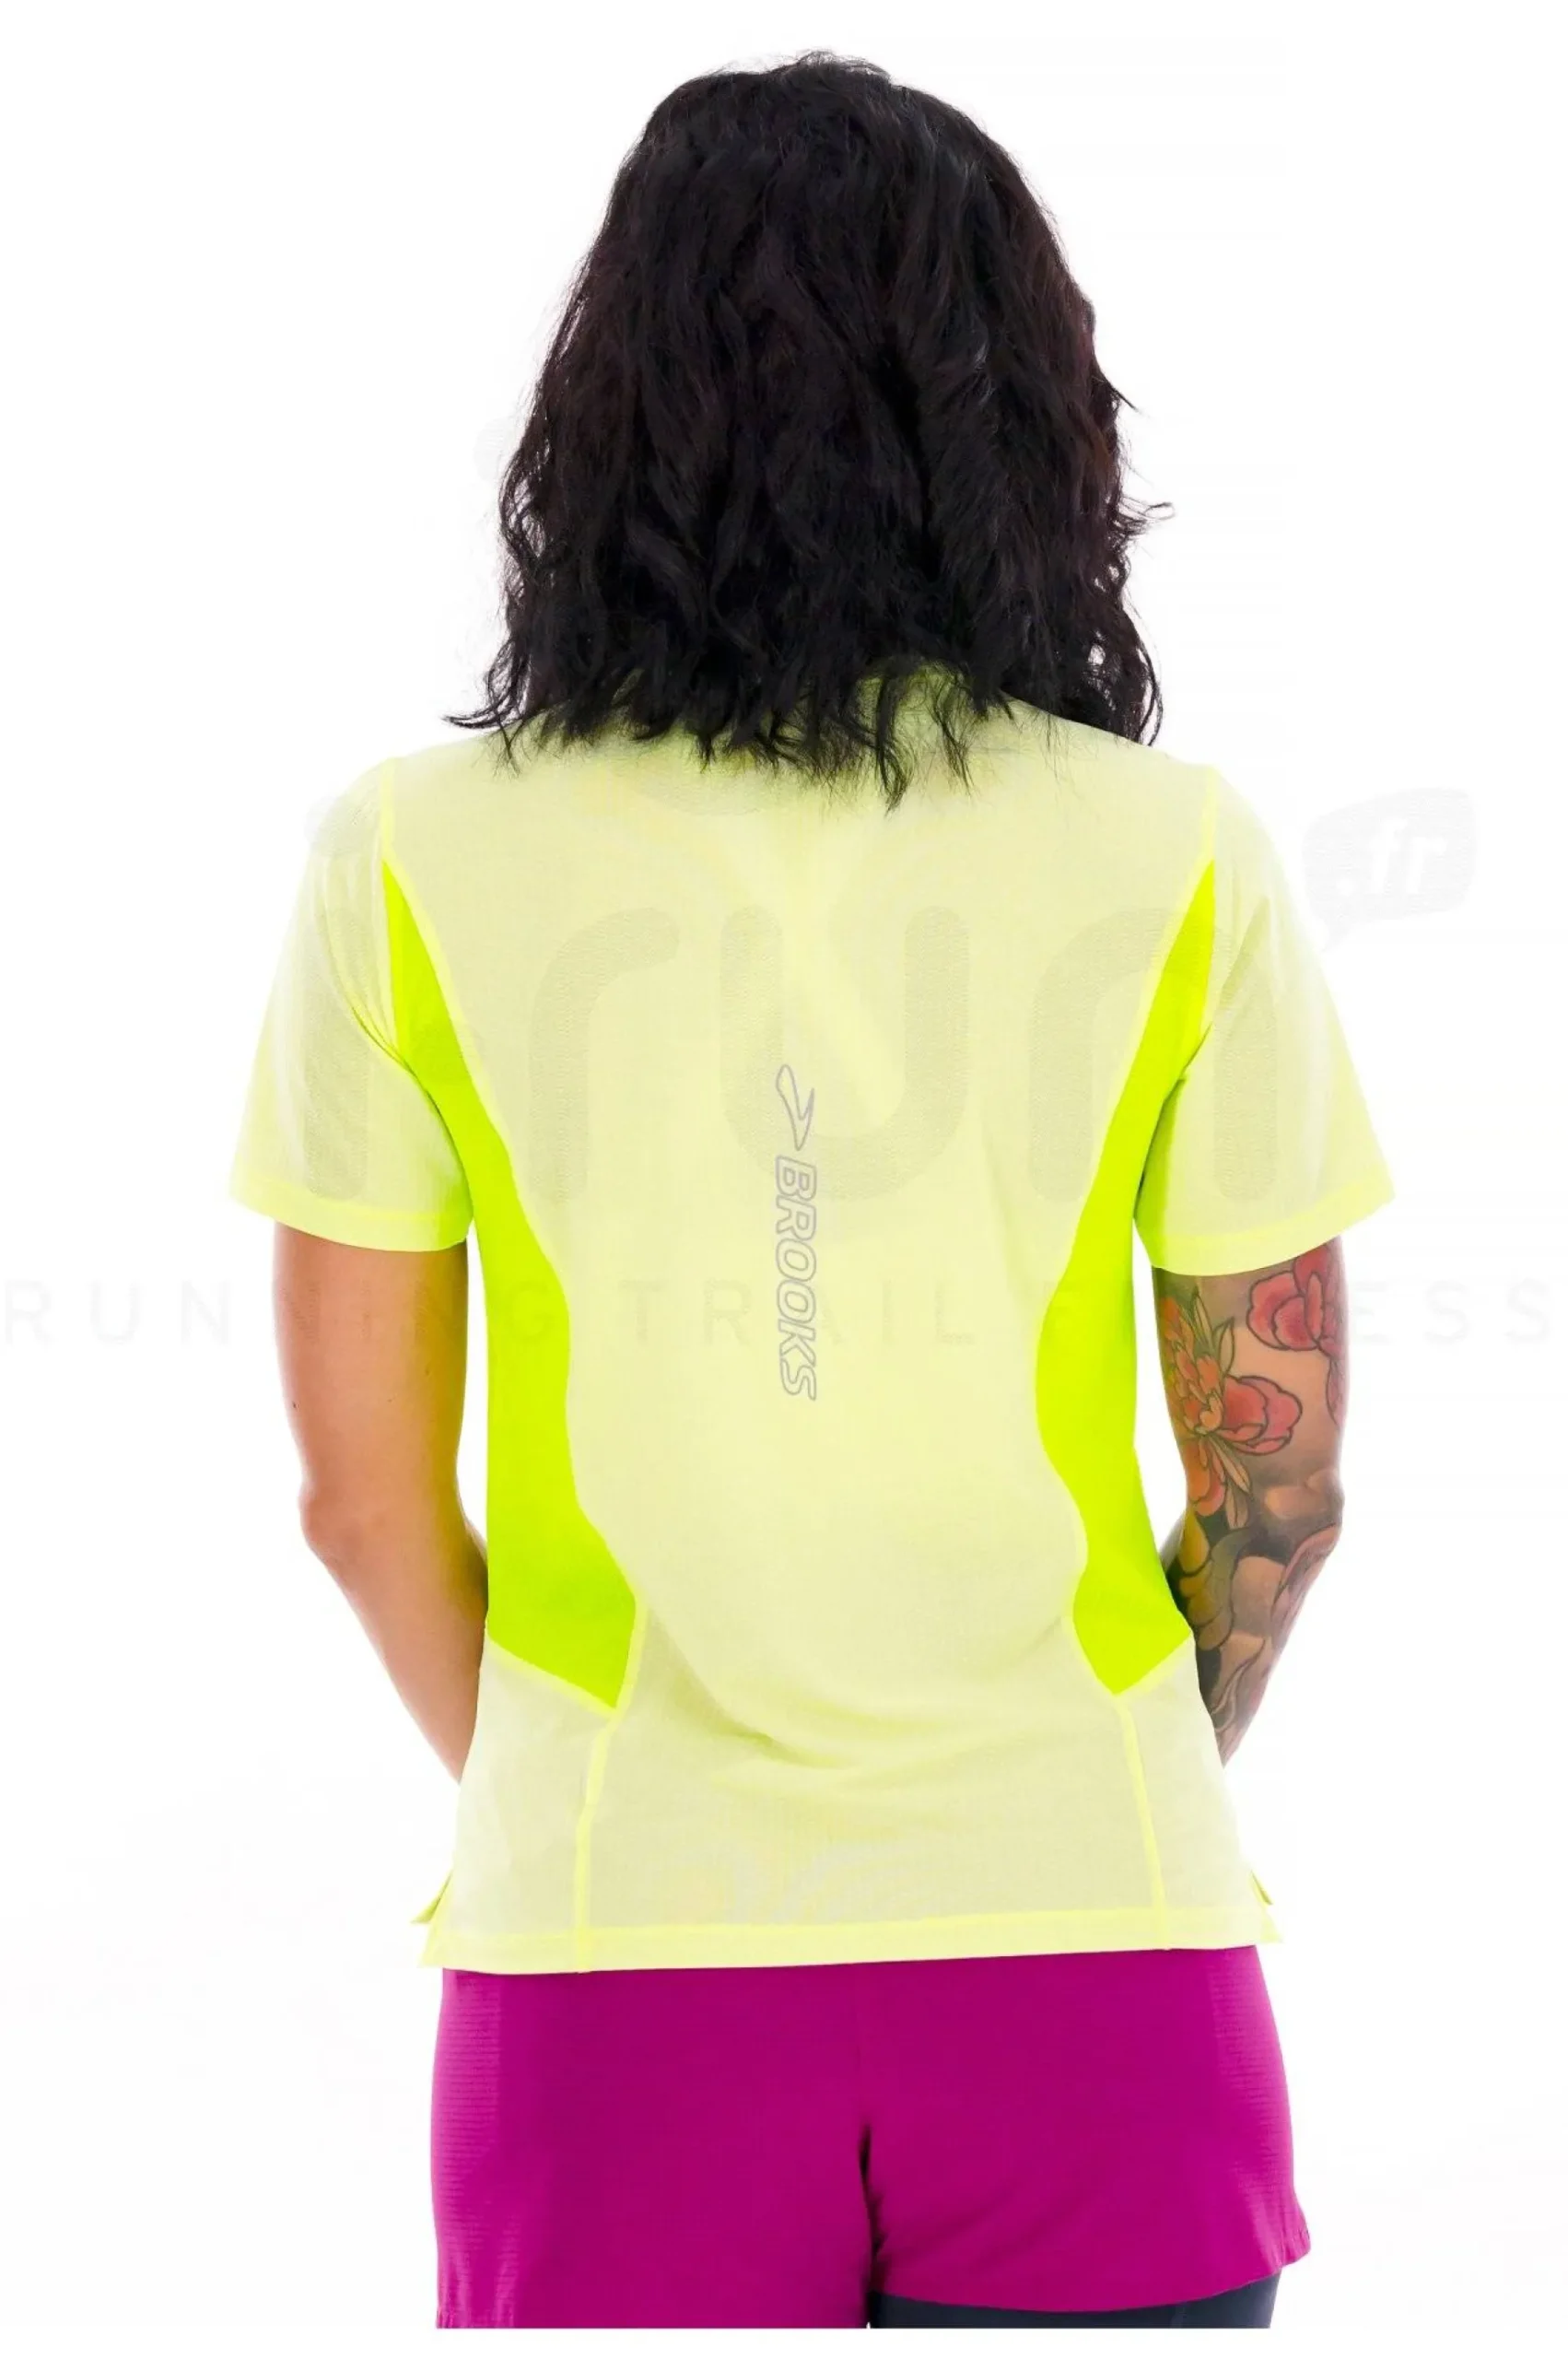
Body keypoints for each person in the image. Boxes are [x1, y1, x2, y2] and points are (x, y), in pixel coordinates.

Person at [228, 53, 1395, 2330]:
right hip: (1094, 1951)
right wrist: (1091, 1779)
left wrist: (592, 1795)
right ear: (1018, 406)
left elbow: (361, 1504)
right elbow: (1277, 1481)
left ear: (608, 406)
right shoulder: (1170, 851)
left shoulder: (410, 855)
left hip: (611, 1979)